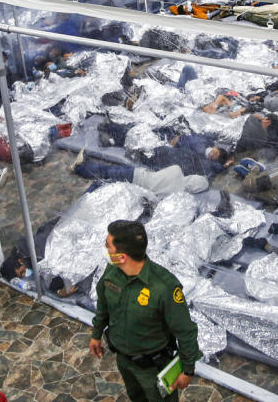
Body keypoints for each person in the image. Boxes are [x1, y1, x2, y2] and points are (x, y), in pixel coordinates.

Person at [90, 220, 202, 402]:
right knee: (136, 397)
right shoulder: (112, 271)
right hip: (124, 360)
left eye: (107, 245)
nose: (105, 249)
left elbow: (186, 331)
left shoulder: (164, 287)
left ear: (122, 256)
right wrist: (96, 333)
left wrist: (188, 370)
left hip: (153, 368)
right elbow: (103, 303)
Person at [71, 152, 208, 195]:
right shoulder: (177, 194)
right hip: (136, 189)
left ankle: (80, 168)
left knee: (107, 172)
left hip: (137, 175)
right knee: (108, 184)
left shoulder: (177, 170)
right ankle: (89, 192)